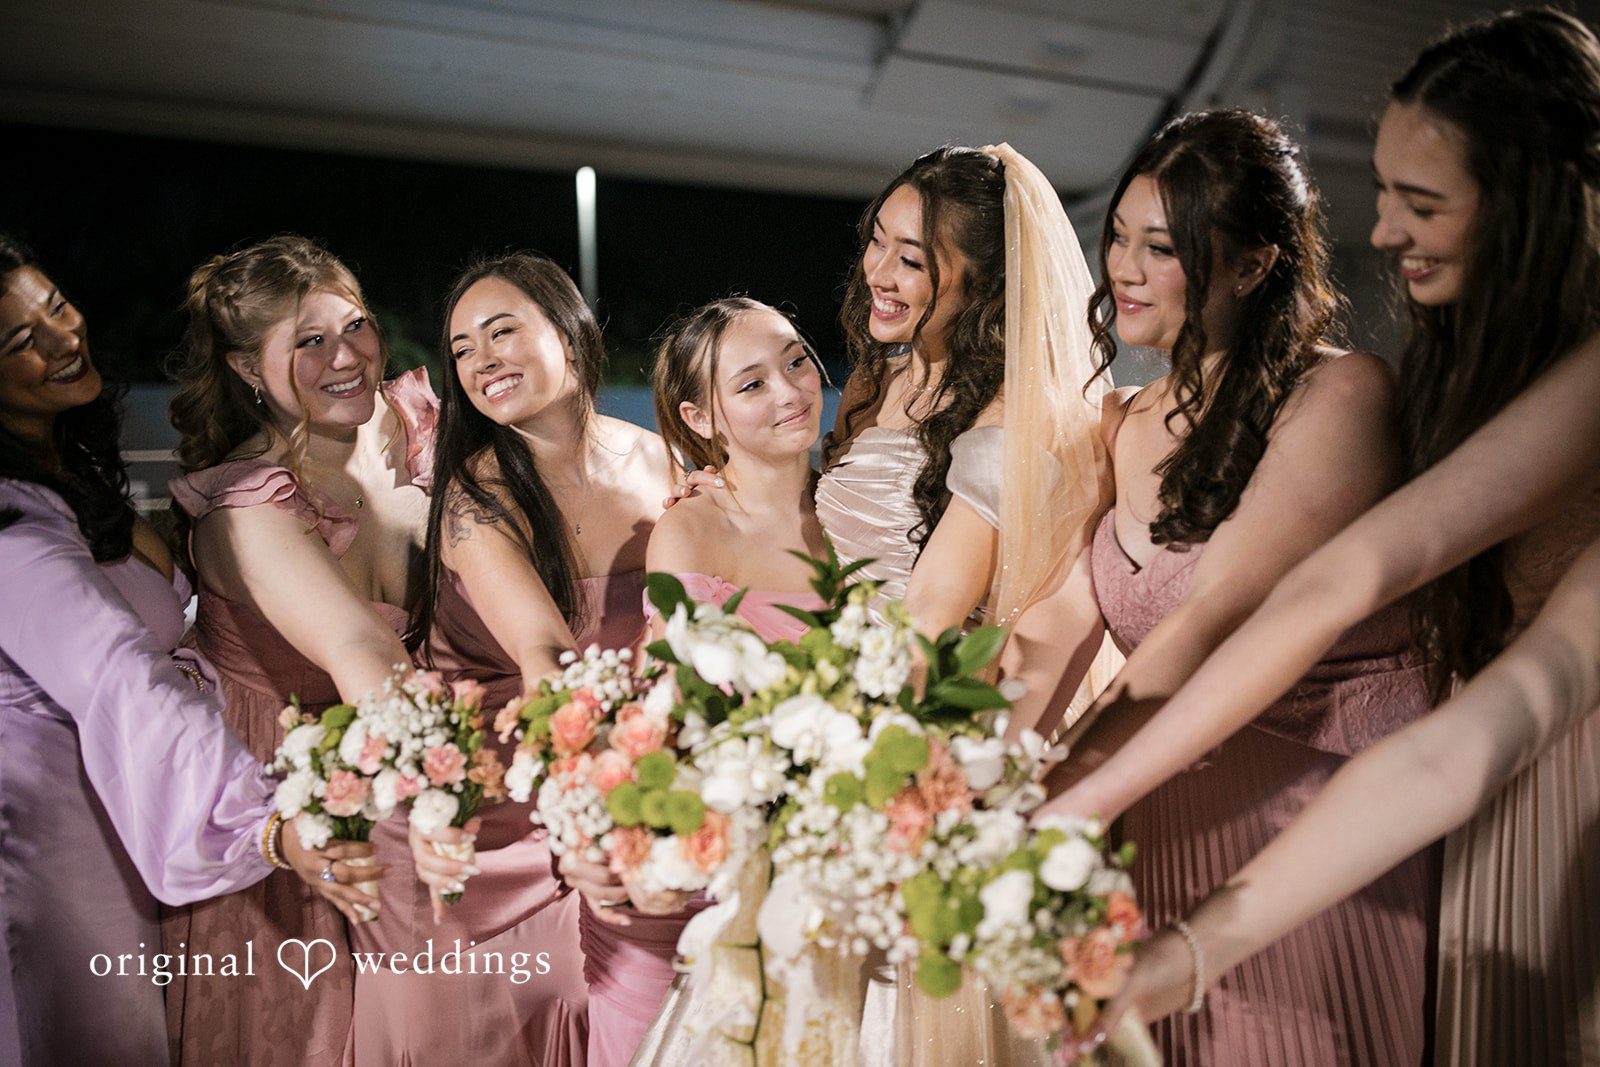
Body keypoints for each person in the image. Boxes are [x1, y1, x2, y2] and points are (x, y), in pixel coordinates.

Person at [1063, 11, 1600, 1063]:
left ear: (1535, 203)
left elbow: (1490, 713)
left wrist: (1077, 805)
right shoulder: (1494, 384)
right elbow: (1340, 584)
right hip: (1477, 815)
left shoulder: (1348, 392)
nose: (1385, 229)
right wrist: (1150, 910)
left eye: (1422, 200)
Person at [1014, 108, 1440, 1065]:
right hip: (1155, 819)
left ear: (1252, 265)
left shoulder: (1339, 396)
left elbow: (1215, 617)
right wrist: (985, 774)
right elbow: (1056, 623)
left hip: (1309, 824)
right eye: (1118, 236)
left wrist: (1062, 792)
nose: (1122, 266)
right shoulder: (1120, 419)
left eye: (1159, 246)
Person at [0, 234, 366, 1064]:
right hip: (56, 831)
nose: (63, 339)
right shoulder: (13, 523)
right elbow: (117, 671)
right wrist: (264, 822)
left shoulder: (75, 465)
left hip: (142, 800)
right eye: (22, 341)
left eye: (55, 306)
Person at [161, 234, 437, 1066]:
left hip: (402, 755)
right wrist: (461, 776)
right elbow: (360, 647)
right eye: (307, 342)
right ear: (249, 369)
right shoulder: (246, 509)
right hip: (285, 810)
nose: (346, 357)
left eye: (354, 326)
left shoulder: (417, 428)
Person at [408, 253, 678, 1067]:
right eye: (462, 349)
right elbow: (545, 650)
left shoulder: (663, 459)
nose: (481, 360)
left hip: (650, 768)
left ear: (569, 329)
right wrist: (595, 808)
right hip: (519, 794)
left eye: (502, 332)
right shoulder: (474, 494)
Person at [644, 297, 830, 643]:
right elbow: (683, 678)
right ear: (700, 419)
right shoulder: (691, 530)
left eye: (795, 362)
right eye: (753, 385)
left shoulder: (856, 505)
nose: (790, 392)